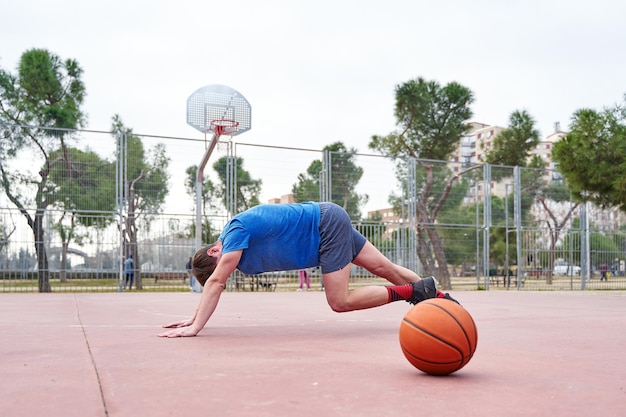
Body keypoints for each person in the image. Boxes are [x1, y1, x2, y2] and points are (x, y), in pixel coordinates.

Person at [159, 202, 458, 338]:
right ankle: (439, 298)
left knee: (339, 301)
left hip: (325, 226)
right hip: (326, 226)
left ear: (215, 250)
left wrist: (196, 326)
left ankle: (412, 292)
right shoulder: (236, 249)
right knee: (385, 267)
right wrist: (197, 316)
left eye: (217, 266)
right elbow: (215, 283)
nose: (225, 271)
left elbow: (216, 283)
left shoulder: (234, 231)